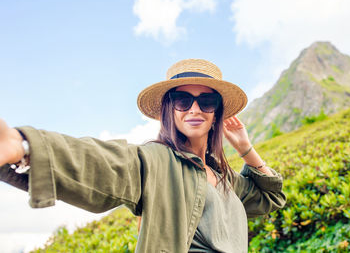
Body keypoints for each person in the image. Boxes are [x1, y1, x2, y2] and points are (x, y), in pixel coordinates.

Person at [0, 59, 286, 252]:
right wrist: (24, 146)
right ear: (169, 110)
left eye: (207, 101)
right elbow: (107, 164)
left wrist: (246, 149)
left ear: (217, 113)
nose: (195, 109)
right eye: (183, 100)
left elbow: (272, 198)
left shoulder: (226, 178)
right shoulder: (157, 160)